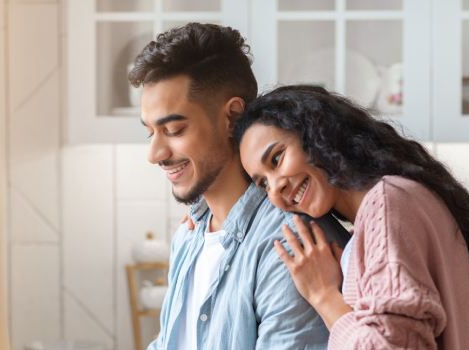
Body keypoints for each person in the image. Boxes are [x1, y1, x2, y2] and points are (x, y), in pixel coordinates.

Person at [234, 85, 469, 349]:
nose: (276, 188)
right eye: (262, 184)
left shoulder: (388, 205)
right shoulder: (393, 203)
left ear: (315, 132)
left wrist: (324, 295)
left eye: (276, 159)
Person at [128, 24, 349, 349]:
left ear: (232, 117)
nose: (155, 154)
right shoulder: (189, 237)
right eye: (151, 132)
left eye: (174, 130)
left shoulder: (292, 245)